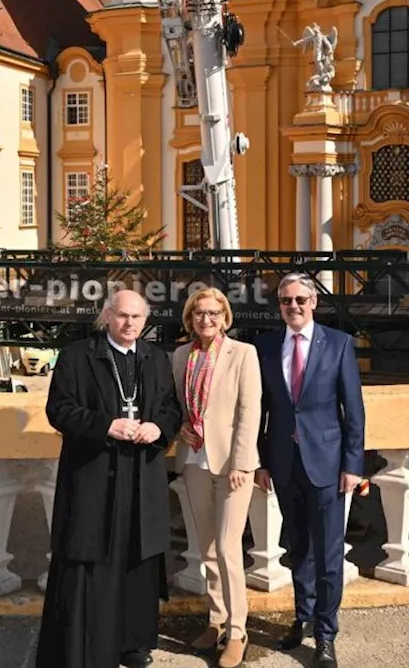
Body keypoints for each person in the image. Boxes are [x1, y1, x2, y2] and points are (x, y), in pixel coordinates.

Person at [35, 288, 184, 668]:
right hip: (94, 477)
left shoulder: (156, 358)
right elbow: (60, 411)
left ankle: (132, 642)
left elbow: (170, 408)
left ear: (146, 320)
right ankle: (88, 648)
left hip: (141, 477)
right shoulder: (77, 356)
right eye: (122, 315)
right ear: (107, 316)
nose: (129, 323)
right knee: (93, 561)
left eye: (136, 317)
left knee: (136, 560)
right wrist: (107, 425)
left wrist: (157, 429)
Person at [254, 273, 365, 668]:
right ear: (279, 305)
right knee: (298, 547)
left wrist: (353, 465)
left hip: (328, 466)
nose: (294, 306)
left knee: (328, 552)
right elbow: (260, 411)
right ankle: (302, 616)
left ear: (314, 302)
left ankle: (325, 633)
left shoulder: (338, 344)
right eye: (286, 301)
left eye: (301, 299)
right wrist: (262, 461)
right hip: (284, 465)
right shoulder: (265, 347)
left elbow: (354, 411)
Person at [170, 287, 262, 668]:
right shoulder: (180, 356)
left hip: (232, 466)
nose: (205, 319)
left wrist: (242, 463)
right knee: (206, 547)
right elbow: (174, 404)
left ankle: (238, 630)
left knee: (227, 548)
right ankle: (216, 619)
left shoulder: (243, 353)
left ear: (225, 316)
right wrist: (179, 428)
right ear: (189, 318)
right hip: (194, 461)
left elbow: (249, 409)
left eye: (212, 313)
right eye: (198, 313)